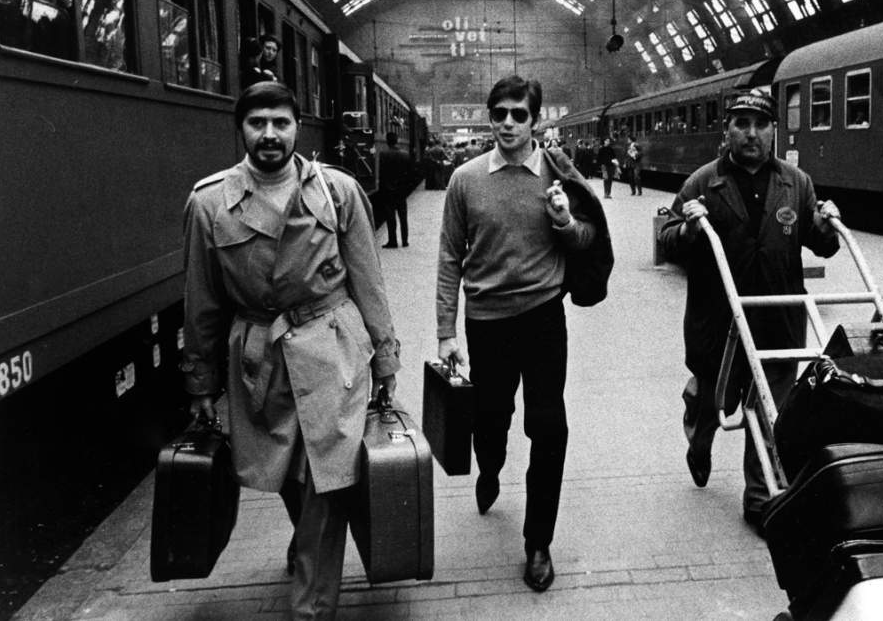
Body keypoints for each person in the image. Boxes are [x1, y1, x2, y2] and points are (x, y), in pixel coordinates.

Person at [181, 81, 400, 620]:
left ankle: (311, 606)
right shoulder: (209, 203)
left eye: (281, 122)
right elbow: (202, 301)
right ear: (241, 130)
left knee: (328, 481)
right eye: (258, 123)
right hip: (260, 359)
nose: (270, 134)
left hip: (333, 350)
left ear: (297, 127)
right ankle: (307, 547)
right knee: (289, 476)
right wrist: (200, 384)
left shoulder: (337, 192)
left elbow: (368, 280)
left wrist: (387, 358)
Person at [436, 75, 600, 593]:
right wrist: (445, 332)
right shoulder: (465, 179)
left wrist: (563, 221)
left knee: (549, 428)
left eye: (519, 115)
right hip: (486, 323)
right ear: (490, 118)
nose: (508, 123)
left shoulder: (556, 173)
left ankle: (538, 543)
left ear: (535, 119)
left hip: (544, 318)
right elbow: (448, 257)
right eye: (500, 113)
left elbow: (587, 239)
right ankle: (490, 466)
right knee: (491, 419)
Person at [657, 89, 841, 535]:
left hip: (776, 318)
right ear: (728, 131)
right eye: (741, 124)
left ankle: (759, 499)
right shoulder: (702, 182)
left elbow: (824, 245)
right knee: (713, 400)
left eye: (760, 125)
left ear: (774, 130)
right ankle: (699, 438)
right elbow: (666, 238)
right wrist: (689, 228)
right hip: (717, 320)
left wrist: (826, 223)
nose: (751, 134)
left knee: (768, 406)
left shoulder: (797, 183)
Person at [377, 130, 411, 248]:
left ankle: (393, 241)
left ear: (387, 141)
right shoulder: (405, 154)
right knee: (403, 217)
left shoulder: (383, 154)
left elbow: (382, 174)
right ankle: (405, 241)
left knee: (390, 217)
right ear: (397, 141)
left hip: (388, 190)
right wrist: (406, 189)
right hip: (401, 191)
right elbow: (409, 174)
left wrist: (382, 190)